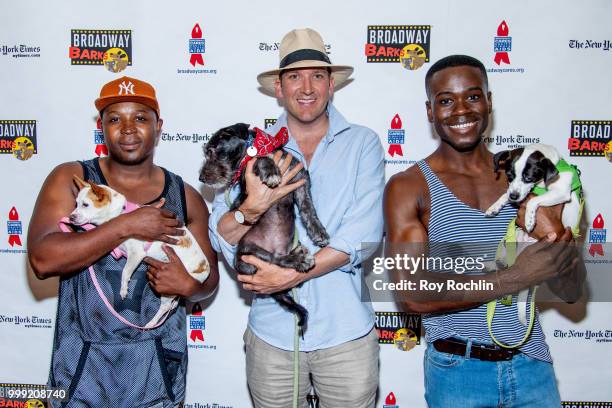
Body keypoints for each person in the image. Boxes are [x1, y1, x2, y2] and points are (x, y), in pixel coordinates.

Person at [384, 55, 581, 407]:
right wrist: (515, 276)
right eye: (446, 100)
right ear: (430, 111)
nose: (461, 110)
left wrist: (562, 248)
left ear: (489, 102)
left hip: (532, 365)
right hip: (458, 373)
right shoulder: (409, 186)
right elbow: (412, 295)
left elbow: (571, 291)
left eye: (473, 97)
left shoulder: (530, 181)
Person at [208, 28, 384, 407]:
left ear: (331, 84)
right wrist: (250, 208)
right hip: (272, 338)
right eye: (294, 77)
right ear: (278, 88)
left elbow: (363, 232)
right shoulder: (252, 149)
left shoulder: (362, 143)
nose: (306, 87)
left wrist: (292, 273)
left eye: (317, 75)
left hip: (346, 337)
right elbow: (220, 231)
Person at [27, 76, 219, 408]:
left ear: (159, 126)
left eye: (140, 118)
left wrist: (188, 285)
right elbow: (42, 260)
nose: (128, 128)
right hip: (81, 368)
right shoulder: (74, 181)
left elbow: (209, 280)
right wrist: (128, 225)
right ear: (101, 127)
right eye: (115, 119)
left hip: (156, 370)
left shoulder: (185, 197)